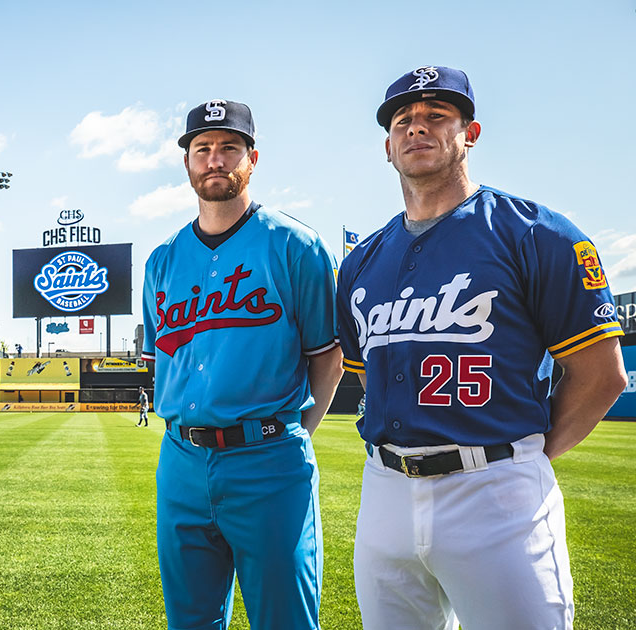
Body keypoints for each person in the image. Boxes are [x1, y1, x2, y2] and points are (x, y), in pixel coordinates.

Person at [336, 65, 626, 630]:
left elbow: (603, 375)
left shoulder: (537, 233)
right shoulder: (360, 262)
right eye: (404, 120)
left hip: (496, 489)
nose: (417, 128)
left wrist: (527, 460)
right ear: (387, 146)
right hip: (385, 491)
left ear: (469, 133)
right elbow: (370, 376)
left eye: (437, 116)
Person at [140, 99, 343, 630]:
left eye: (229, 147)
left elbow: (327, 358)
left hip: (270, 461)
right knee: (190, 621)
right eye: (202, 149)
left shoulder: (297, 245)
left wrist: (289, 435)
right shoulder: (162, 260)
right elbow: (163, 362)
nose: (215, 160)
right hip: (181, 459)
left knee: (285, 621)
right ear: (187, 163)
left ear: (252, 158)